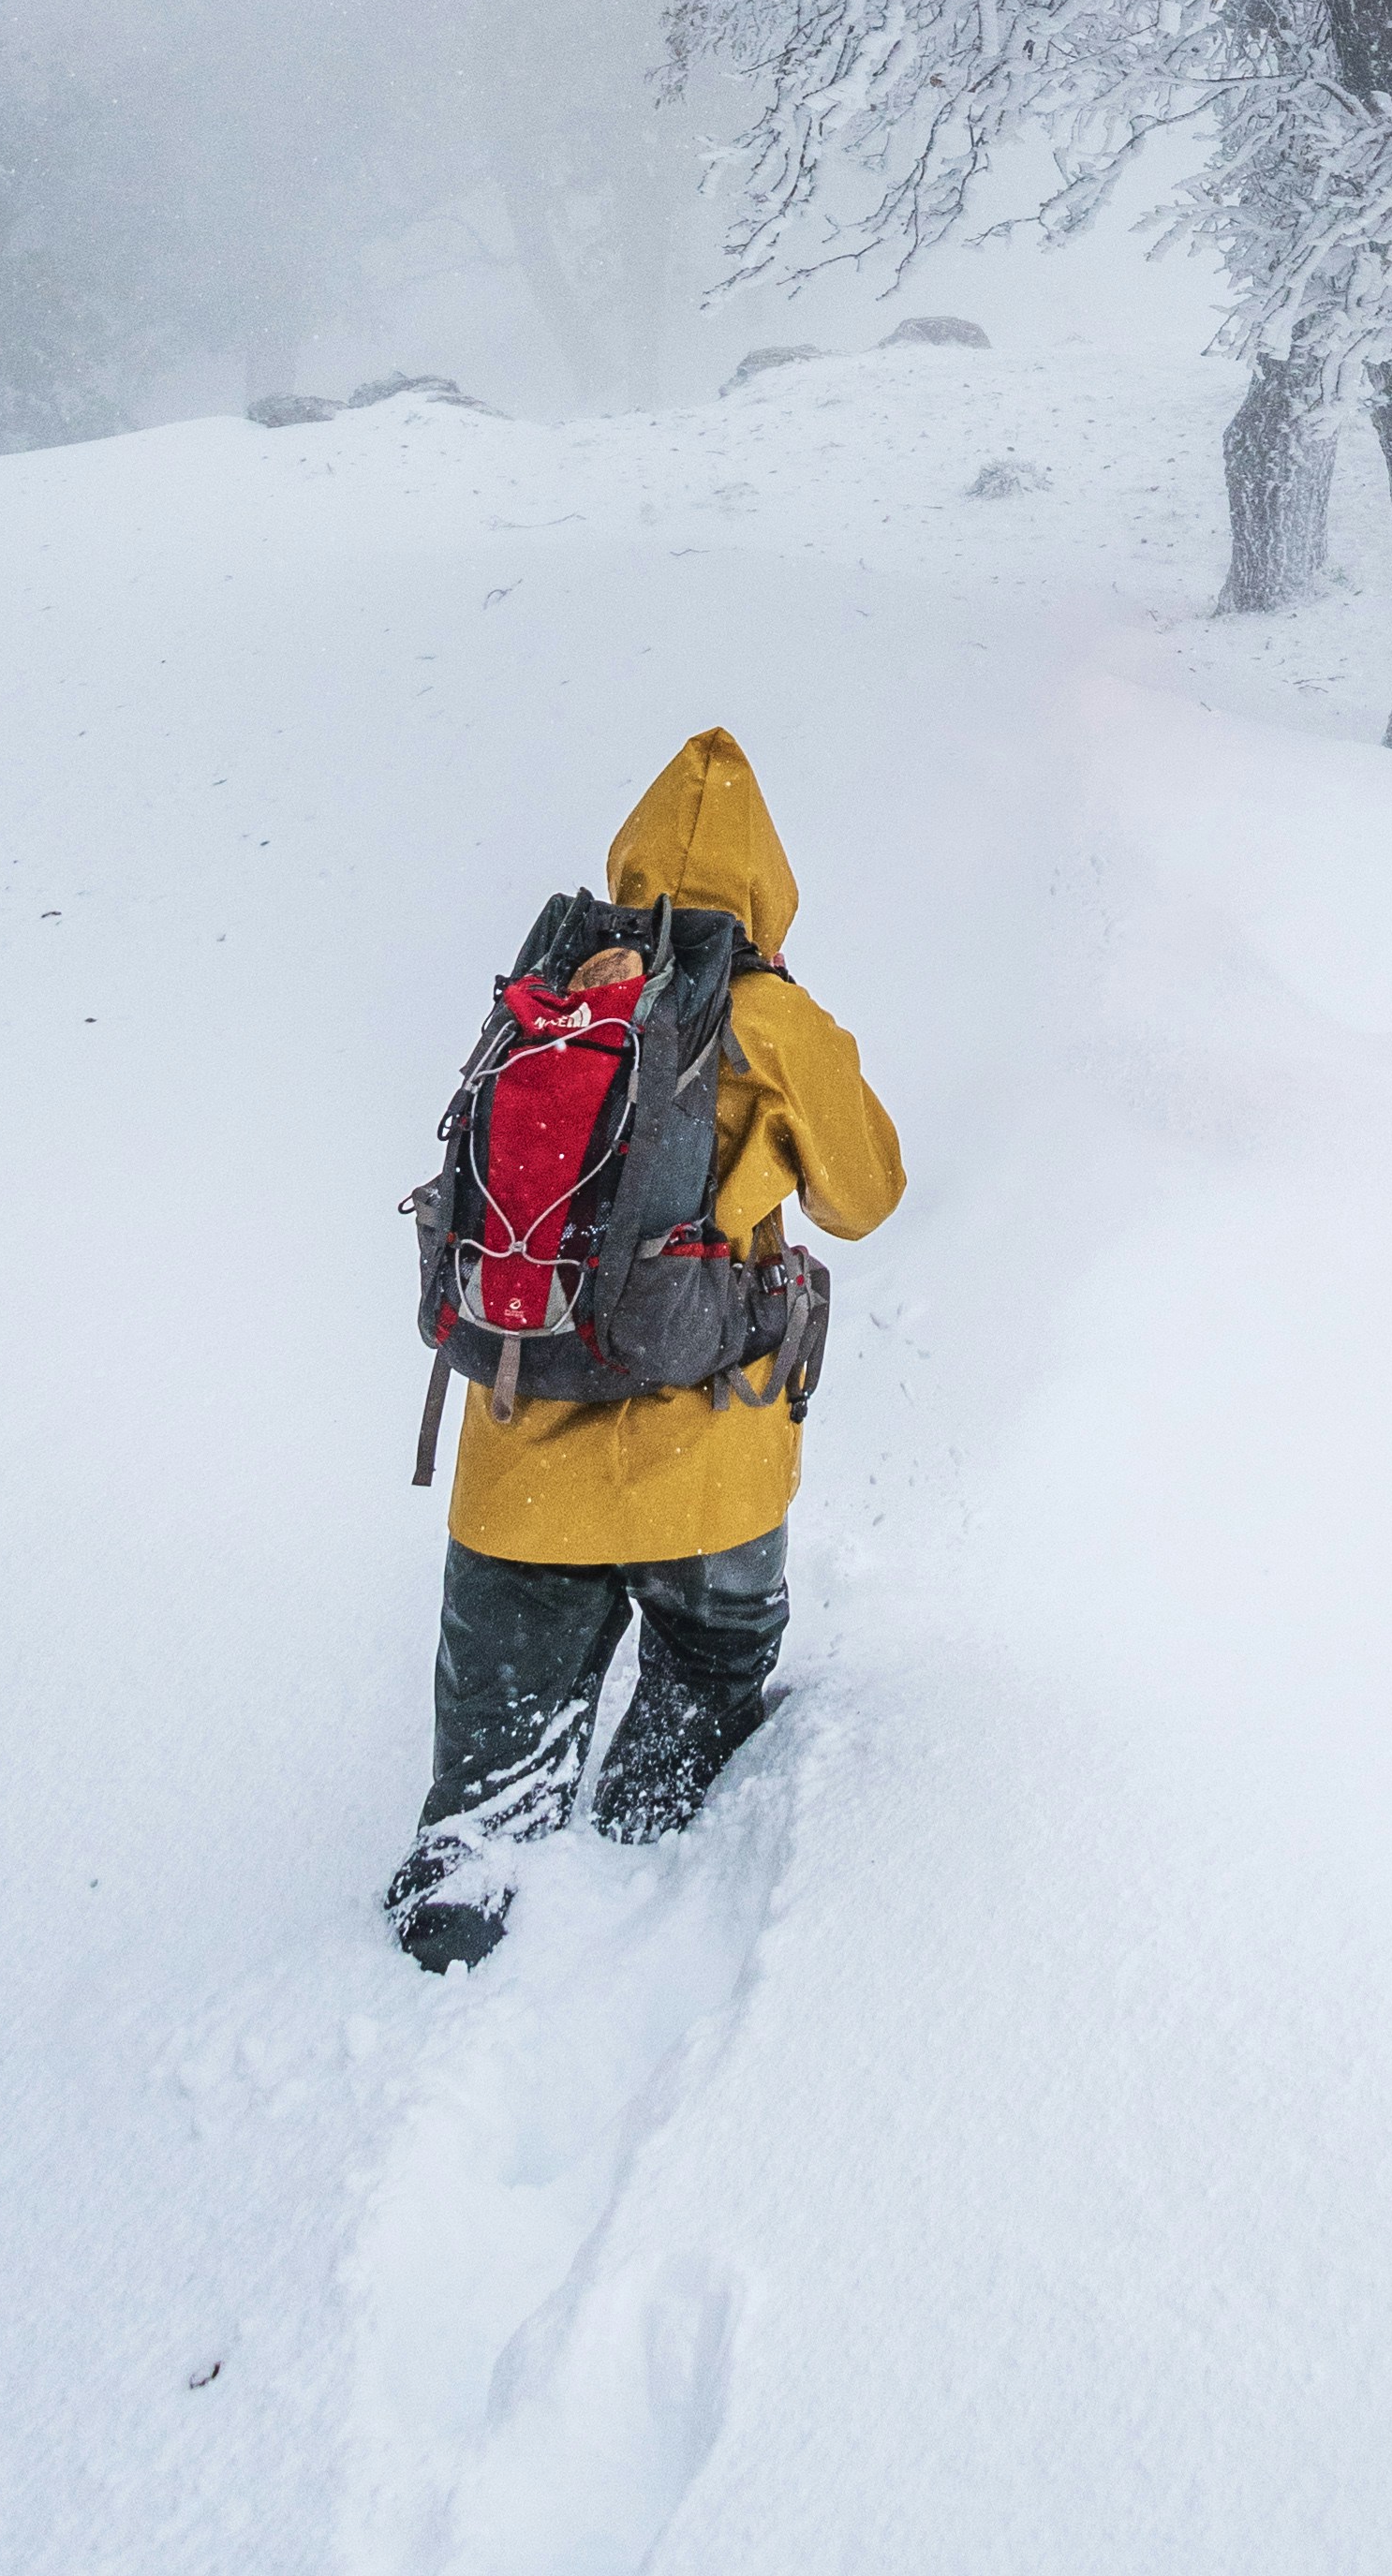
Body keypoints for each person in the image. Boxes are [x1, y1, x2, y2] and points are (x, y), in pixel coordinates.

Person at [385, 726, 905, 1972]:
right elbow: (863, 1197)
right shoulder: (776, 1019)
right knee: (709, 1656)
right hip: (704, 1448)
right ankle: (653, 1824)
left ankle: (472, 1866)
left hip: (519, 1433)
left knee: (501, 1696)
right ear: (770, 888)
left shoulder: (545, 1000)